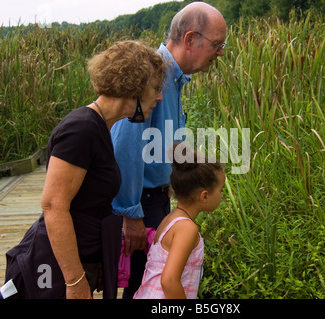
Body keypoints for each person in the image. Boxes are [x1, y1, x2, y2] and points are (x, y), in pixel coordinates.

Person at [0, 41, 165, 299]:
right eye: (156, 88)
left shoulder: (100, 127)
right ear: (135, 86)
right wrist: (74, 281)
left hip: (73, 263)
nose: (159, 97)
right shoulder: (82, 129)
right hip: (50, 269)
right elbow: (53, 205)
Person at [110, 1, 227, 299]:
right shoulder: (152, 76)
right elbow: (125, 146)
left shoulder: (174, 79)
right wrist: (130, 214)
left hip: (157, 200)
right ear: (190, 39)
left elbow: (167, 144)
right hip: (140, 205)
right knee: (139, 284)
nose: (221, 52)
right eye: (217, 44)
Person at [134, 144, 225, 299]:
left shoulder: (170, 219)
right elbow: (169, 281)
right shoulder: (186, 228)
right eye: (220, 190)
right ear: (204, 196)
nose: (222, 196)